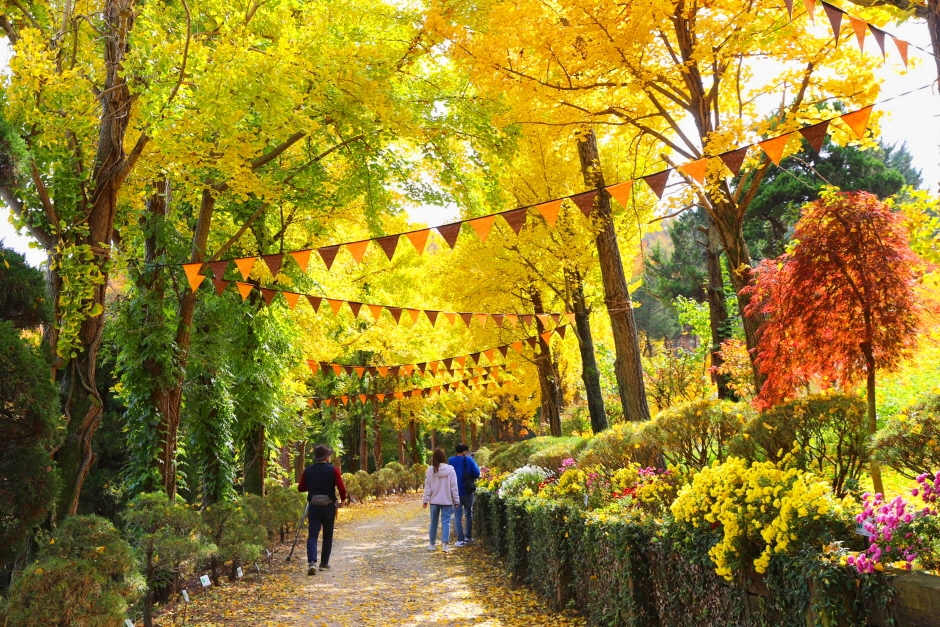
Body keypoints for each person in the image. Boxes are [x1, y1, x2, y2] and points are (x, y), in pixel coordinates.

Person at [297, 444, 346, 576]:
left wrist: (313, 487)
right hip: (328, 506)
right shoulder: (333, 470)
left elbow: (301, 488)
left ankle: (312, 562)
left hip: (314, 506)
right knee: (327, 535)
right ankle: (324, 563)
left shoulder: (308, 471)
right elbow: (342, 488)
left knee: (312, 535)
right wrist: (343, 500)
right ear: (326, 457)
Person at [422, 448, 460, 553]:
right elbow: (454, 487)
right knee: (446, 523)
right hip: (447, 501)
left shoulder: (431, 470)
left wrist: (425, 500)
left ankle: (432, 544)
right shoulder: (451, 470)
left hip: (434, 501)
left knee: (433, 523)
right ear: (444, 457)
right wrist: (456, 501)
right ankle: (444, 545)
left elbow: (428, 487)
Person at [448, 443, 480, 547]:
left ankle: (460, 540)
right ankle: (468, 537)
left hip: (454, 492)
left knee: (457, 516)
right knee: (468, 514)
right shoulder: (469, 460)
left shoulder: (450, 460)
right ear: (465, 451)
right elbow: (477, 473)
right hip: (467, 491)